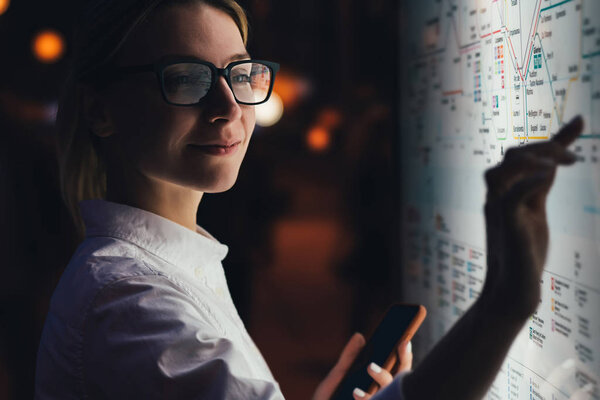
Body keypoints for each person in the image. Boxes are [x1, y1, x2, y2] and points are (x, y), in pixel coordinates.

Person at [33, 0, 585, 398]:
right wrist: (507, 301)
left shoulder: (160, 268)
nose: (229, 106)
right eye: (185, 79)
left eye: (239, 73)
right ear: (100, 110)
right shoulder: (129, 306)